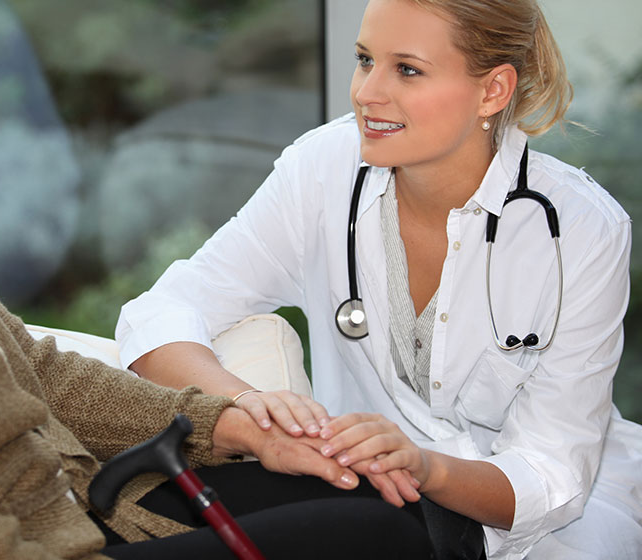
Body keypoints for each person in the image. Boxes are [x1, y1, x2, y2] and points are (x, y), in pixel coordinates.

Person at [0, 1, 438, 559]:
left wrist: (236, 427)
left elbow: (36, 372)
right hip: (37, 544)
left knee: (384, 501)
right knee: (386, 537)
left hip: (79, 505)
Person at [116, 0, 642, 558]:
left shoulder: (581, 230)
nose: (367, 92)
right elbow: (163, 311)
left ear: (492, 91)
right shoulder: (323, 169)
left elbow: (552, 477)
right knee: (136, 508)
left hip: (537, 529)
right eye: (365, 60)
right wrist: (247, 408)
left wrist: (426, 465)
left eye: (407, 69)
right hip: (361, 497)